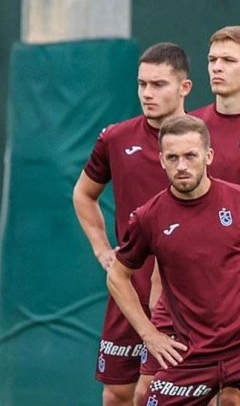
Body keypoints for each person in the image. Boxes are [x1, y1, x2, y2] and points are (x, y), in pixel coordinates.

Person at [138, 25, 240, 406]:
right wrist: (159, 281)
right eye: (212, 59)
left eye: (228, 60)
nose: (216, 67)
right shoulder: (190, 128)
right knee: (144, 388)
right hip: (184, 292)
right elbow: (169, 211)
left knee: (235, 398)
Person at [107, 114, 240, 406]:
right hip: (191, 356)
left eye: (190, 156)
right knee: (140, 396)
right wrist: (149, 334)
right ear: (161, 161)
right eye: (172, 158)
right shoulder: (148, 217)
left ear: (208, 156)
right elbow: (117, 276)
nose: (181, 166)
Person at [72, 42, 192, 406]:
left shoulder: (203, 141)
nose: (147, 93)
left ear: (184, 88)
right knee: (117, 394)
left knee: (156, 392)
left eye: (158, 84)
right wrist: (102, 251)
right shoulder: (116, 137)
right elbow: (84, 194)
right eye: (142, 84)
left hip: (185, 294)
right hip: (128, 288)